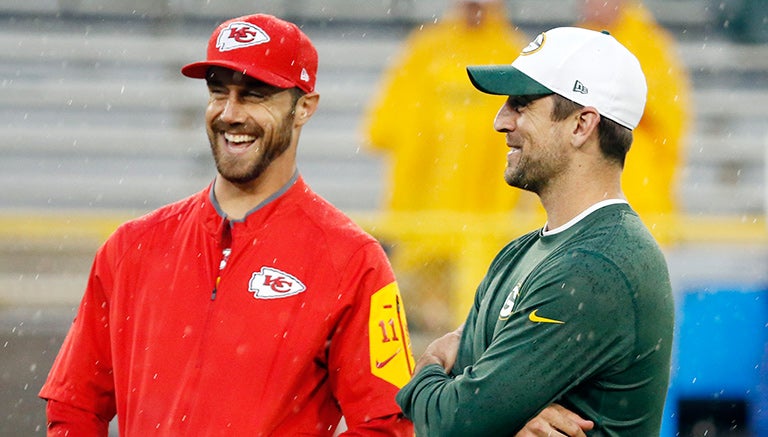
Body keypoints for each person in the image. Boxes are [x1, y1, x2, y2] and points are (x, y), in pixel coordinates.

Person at [38, 14, 415, 436]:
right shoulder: (132, 247)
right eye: (219, 91)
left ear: (304, 108)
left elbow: (385, 423)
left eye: (255, 95)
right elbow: (74, 406)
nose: (230, 113)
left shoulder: (352, 260)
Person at [396, 27, 676, 435]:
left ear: (582, 125)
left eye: (522, 104)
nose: (500, 121)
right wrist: (499, 419)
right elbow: (468, 414)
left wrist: (428, 367)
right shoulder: (522, 252)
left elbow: (448, 425)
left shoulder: (597, 265)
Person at [364, 0, 534, 332]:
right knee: (435, 335)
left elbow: (382, 130)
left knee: (474, 333)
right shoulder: (426, 51)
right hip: (425, 231)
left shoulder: (513, 55)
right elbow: (383, 129)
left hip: (487, 234)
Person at [578, 0, 691, 239]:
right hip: (585, 186)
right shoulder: (575, 41)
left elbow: (668, 118)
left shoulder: (650, 45)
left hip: (636, 185)